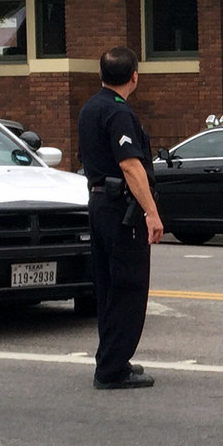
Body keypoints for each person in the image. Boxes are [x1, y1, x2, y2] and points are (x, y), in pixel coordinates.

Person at [77, 45, 164, 390]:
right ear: (134, 77)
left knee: (109, 287)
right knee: (129, 286)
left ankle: (112, 359)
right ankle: (112, 370)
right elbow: (130, 165)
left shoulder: (89, 109)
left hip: (98, 203)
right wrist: (151, 213)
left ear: (101, 75)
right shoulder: (119, 113)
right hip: (121, 210)